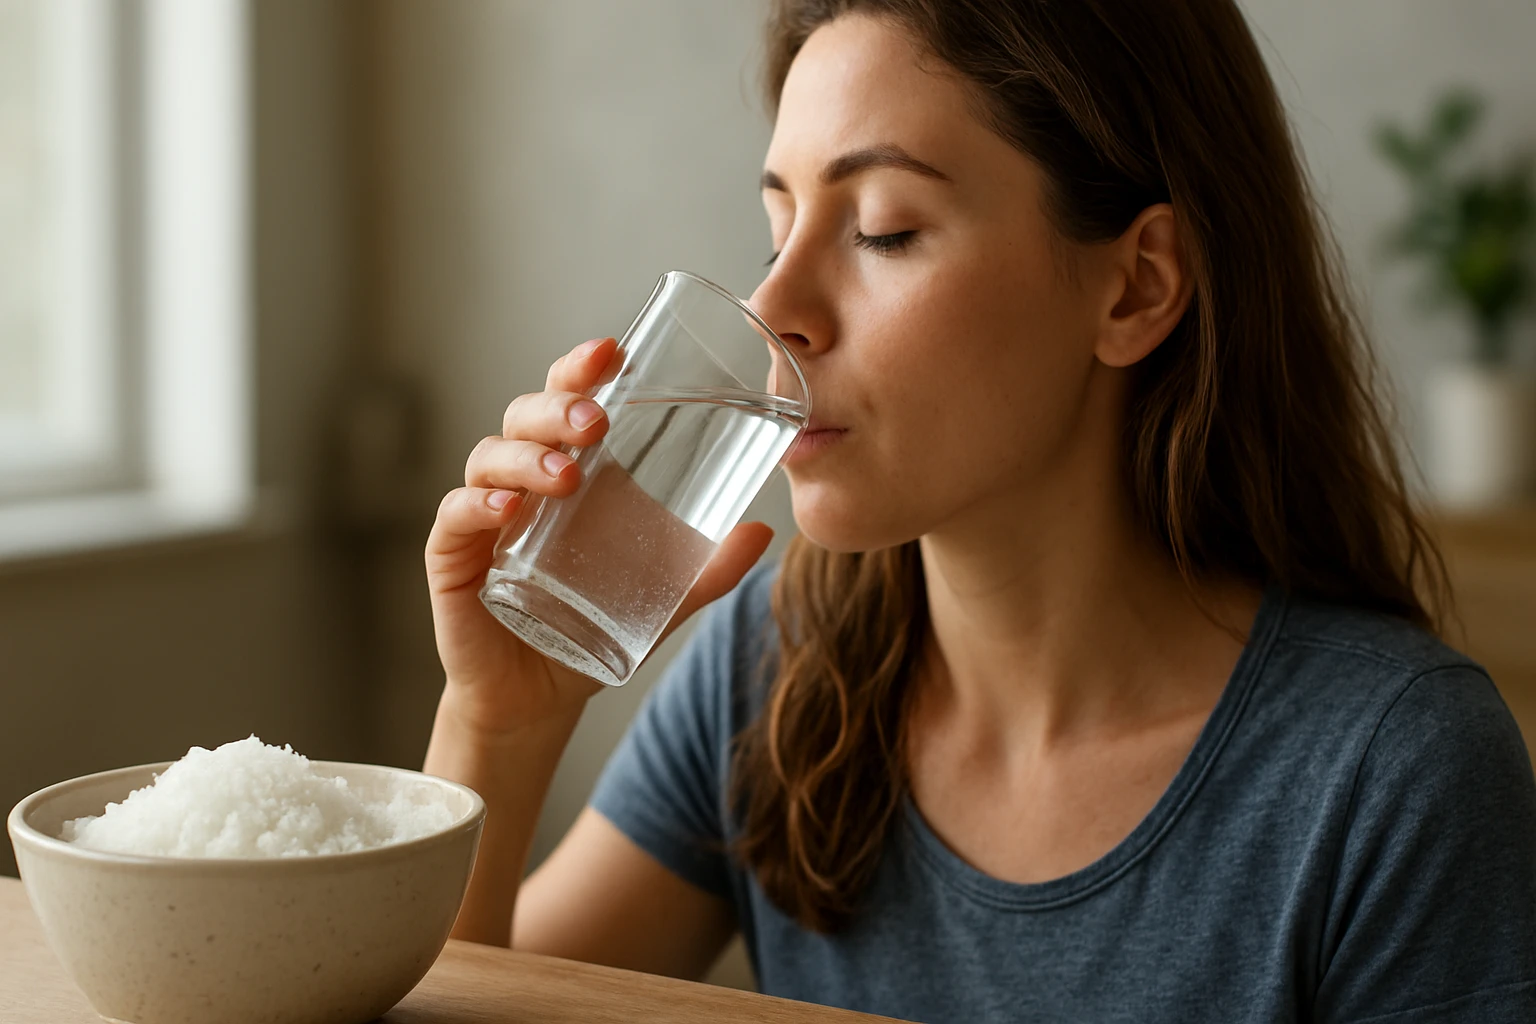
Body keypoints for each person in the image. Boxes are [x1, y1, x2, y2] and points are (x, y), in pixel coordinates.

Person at [420, 1, 1536, 1021]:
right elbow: (440, 1001)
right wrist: (500, 721)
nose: (773, 308)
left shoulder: (1396, 775)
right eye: (777, 227)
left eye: (886, 230)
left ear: (1138, 285)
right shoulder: (769, 674)